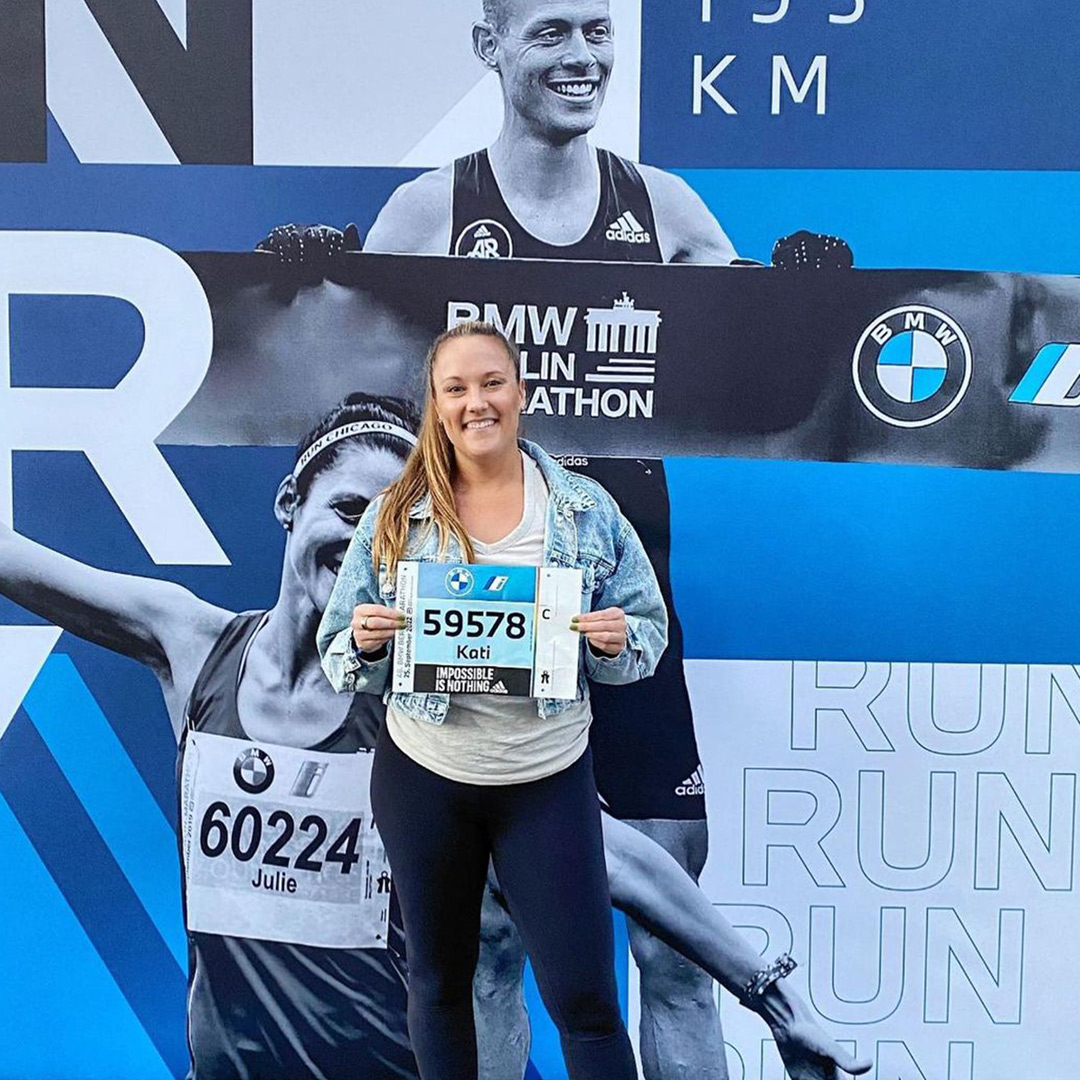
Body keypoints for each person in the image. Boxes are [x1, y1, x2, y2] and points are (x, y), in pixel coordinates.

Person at [318, 321, 873, 1080]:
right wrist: (370, 644)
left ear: (522, 393)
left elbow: (645, 630)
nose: (475, 403)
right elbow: (340, 653)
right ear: (435, 407)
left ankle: (776, 1008)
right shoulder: (395, 518)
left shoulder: (583, 509)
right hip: (427, 782)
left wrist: (614, 644)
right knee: (444, 985)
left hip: (545, 784)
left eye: (491, 384)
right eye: (456, 389)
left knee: (584, 1000)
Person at [360, 4, 736, 1075]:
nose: (582, 58)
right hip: (479, 627)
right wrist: (309, 280)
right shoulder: (428, 211)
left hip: (617, 629)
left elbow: (770, 373)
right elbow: (346, 408)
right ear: (490, 49)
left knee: (673, 946)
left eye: (597, 32)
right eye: (549, 34)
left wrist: (799, 291)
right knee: (486, 947)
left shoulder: (664, 209)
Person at [0, 394, 424, 1080]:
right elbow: (11, 559)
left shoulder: (416, 700)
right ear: (290, 501)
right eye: (349, 511)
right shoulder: (196, 645)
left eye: (399, 526)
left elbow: (600, 853)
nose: (369, 544)